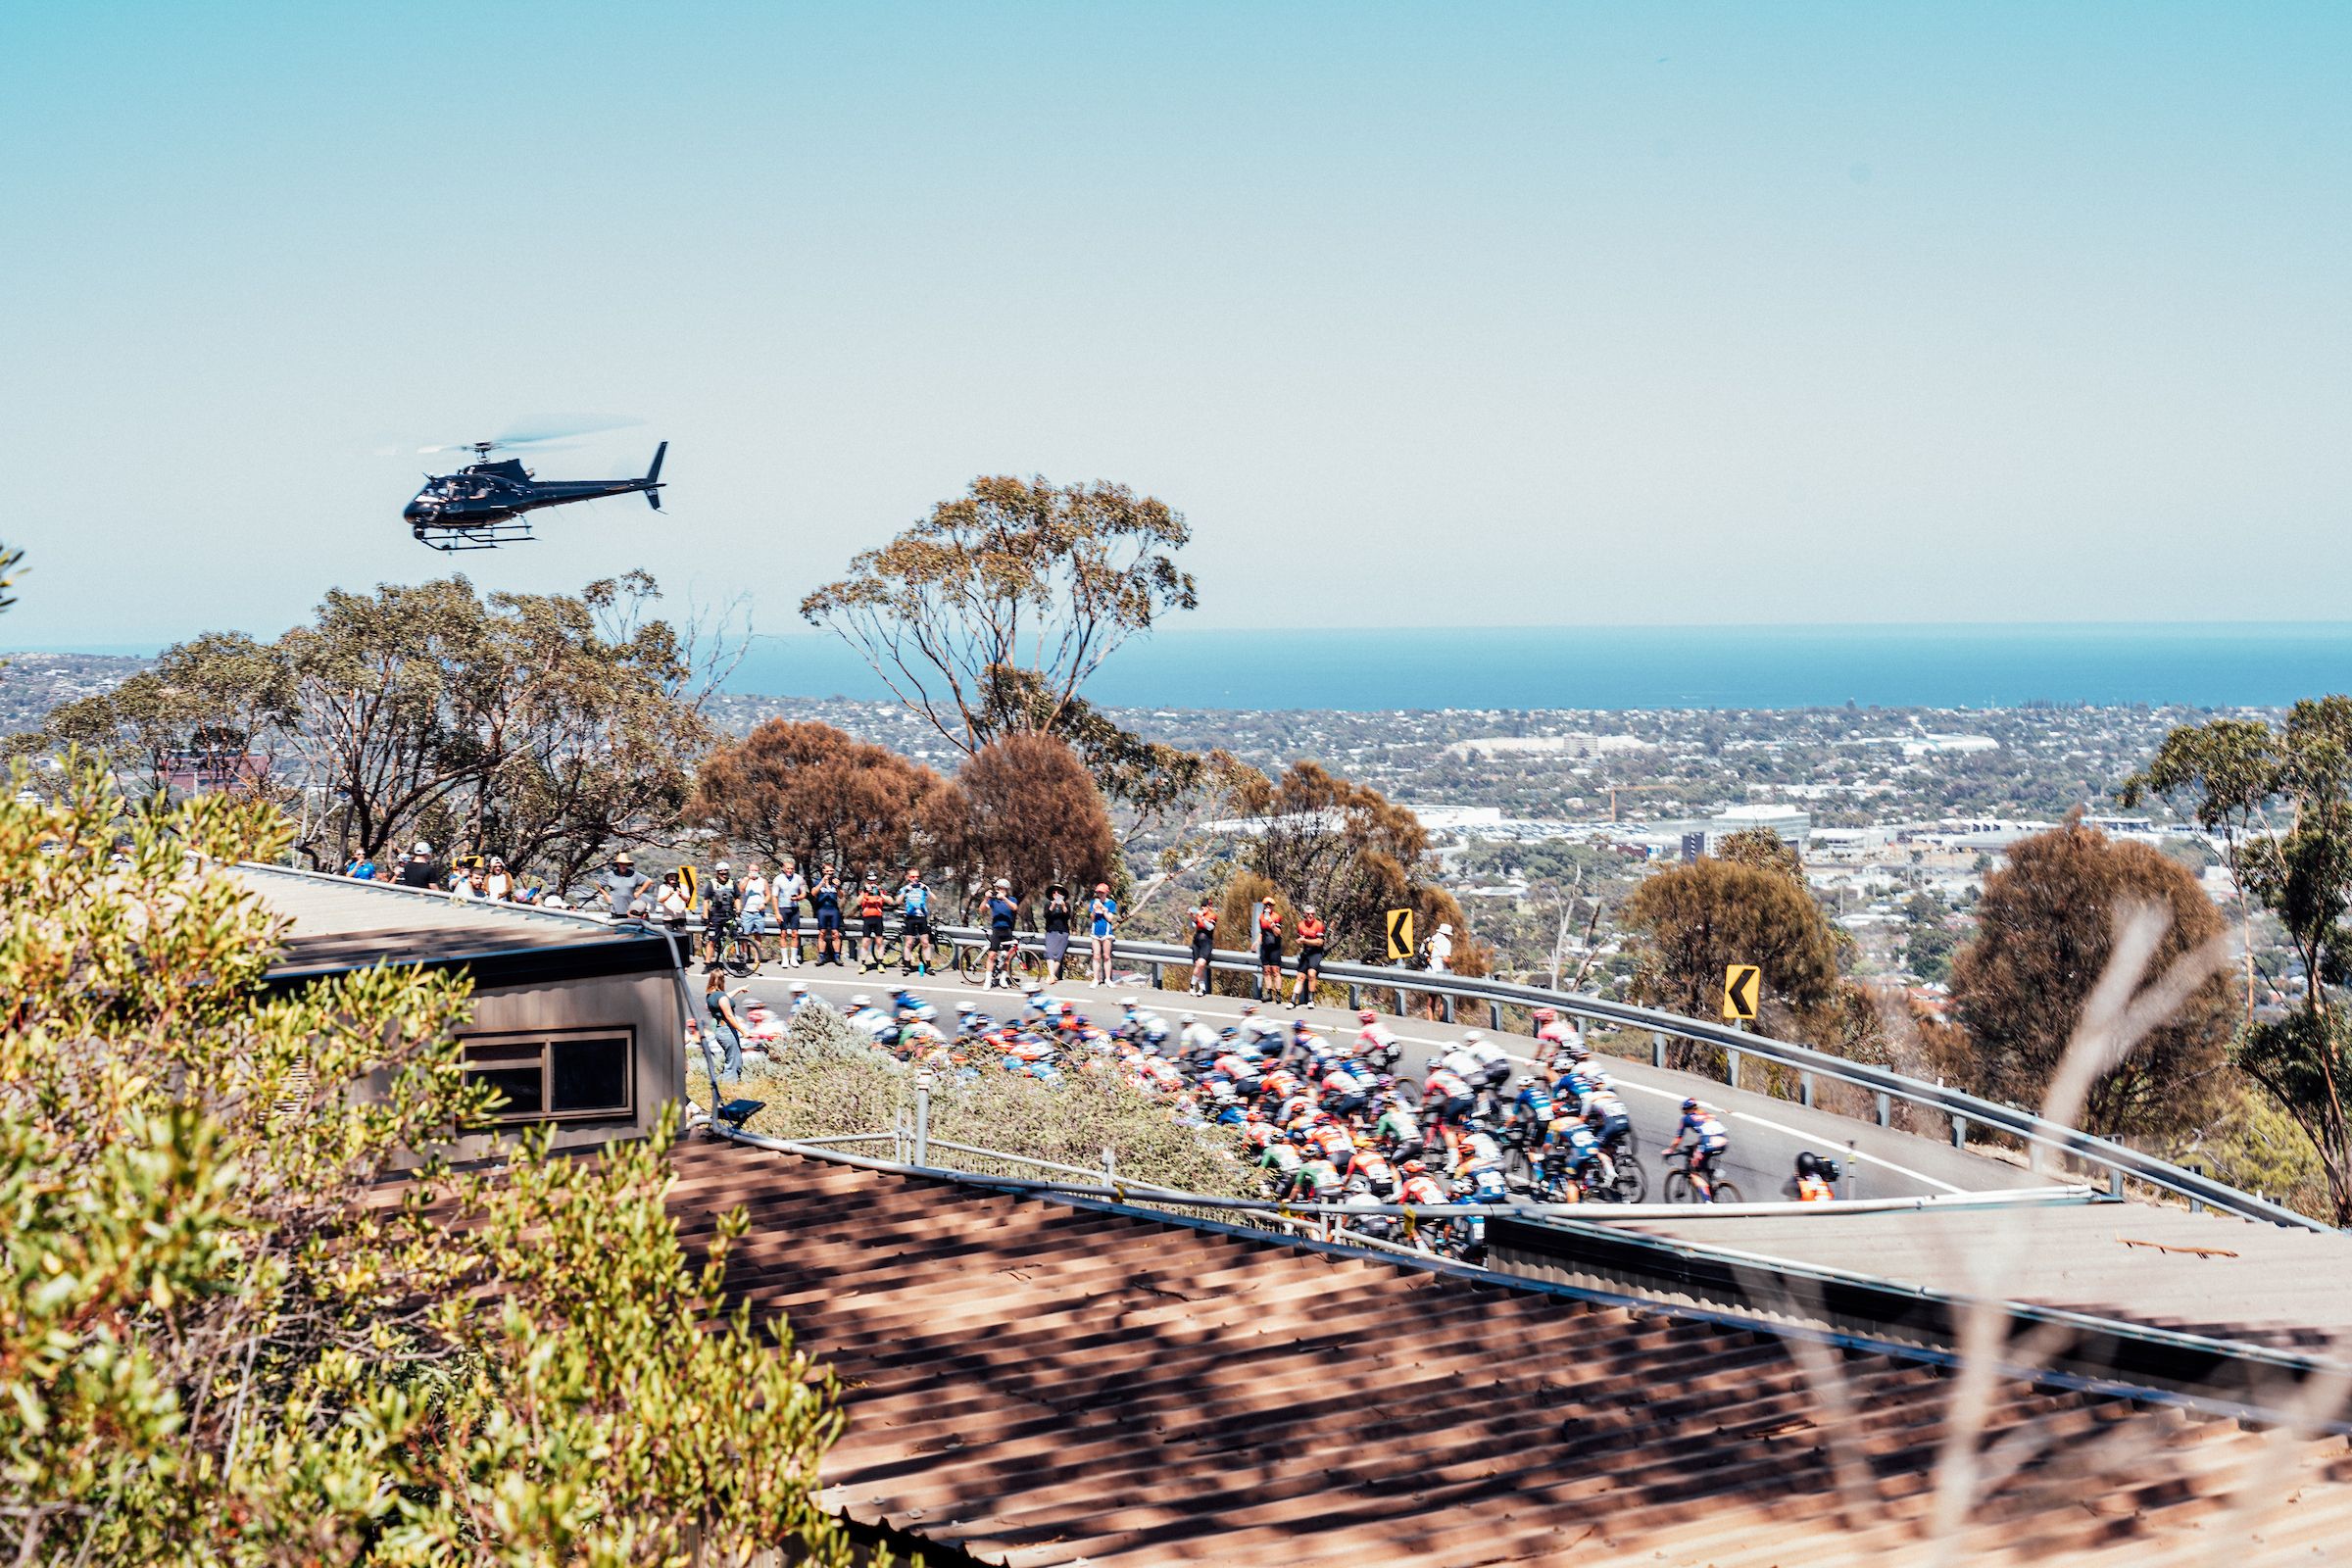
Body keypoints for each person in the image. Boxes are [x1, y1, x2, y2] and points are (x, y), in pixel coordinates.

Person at [1665, 1097, 1733, 1200]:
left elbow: (1678, 1139)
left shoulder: (1686, 1118)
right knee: (1704, 1164)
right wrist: (1696, 1145)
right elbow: (1710, 1133)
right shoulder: (1709, 1115)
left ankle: (1707, 1201)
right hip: (1723, 1142)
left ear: (1686, 1110)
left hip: (1708, 1144)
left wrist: (1670, 1150)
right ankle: (1714, 1181)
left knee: (1694, 1172)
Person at [703, 966, 747, 1085]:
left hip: (720, 1030)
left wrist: (738, 989)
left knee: (732, 1058)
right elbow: (729, 1016)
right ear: (722, 980)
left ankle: (718, 1083)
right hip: (727, 1030)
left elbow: (725, 997)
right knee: (734, 1061)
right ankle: (728, 1086)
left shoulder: (711, 995)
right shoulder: (721, 996)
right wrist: (743, 1031)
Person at [702, 861, 741, 968]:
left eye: (726, 873)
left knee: (736, 937)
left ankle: (740, 960)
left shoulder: (732, 883)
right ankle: (708, 964)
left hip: (729, 915)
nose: (724, 875)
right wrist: (705, 915)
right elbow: (706, 900)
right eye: (721, 873)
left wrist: (738, 910)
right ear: (717, 873)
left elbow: (737, 897)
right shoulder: (712, 884)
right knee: (712, 940)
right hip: (716, 916)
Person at [983, 877, 1020, 989]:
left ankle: (1003, 979)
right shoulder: (993, 900)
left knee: (1006, 956)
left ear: (1006, 889)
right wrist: (986, 898)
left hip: (1007, 930)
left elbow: (1014, 908)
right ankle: (988, 981)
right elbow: (982, 909)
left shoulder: (1012, 899)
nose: (998, 890)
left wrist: (1004, 898)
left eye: (1000, 888)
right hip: (996, 929)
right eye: (997, 888)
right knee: (991, 955)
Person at [898, 867, 935, 975]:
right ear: (908, 878)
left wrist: (926, 890)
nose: (915, 879)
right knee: (909, 943)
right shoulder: (905, 888)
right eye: (913, 876)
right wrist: (906, 891)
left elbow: (933, 899)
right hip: (910, 917)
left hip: (922, 917)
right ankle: (907, 966)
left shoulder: (923, 887)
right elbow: (898, 901)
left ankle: (929, 966)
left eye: (917, 876)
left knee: (925, 942)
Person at [1288, 904, 1326, 1008]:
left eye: (1312, 914)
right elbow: (1301, 938)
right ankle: (1293, 1000)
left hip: (1316, 952)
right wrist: (1300, 941)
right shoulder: (1301, 925)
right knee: (1300, 976)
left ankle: (1311, 1000)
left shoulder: (1319, 925)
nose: (1310, 916)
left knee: (1311, 974)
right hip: (1306, 952)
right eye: (1308, 914)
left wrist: (1305, 941)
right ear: (1304, 914)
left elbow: (1320, 942)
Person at [855, 873, 890, 971]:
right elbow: (858, 902)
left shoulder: (880, 890)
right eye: (870, 881)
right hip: (867, 918)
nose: (871, 883)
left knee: (879, 941)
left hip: (878, 918)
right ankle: (863, 964)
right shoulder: (864, 891)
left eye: (873, 880)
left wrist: (880, 894)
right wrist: (864, 891)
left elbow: (890, 901)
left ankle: (880, 963)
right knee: (865, 942)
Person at [775, 858, 807, 966]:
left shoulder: (798, 878)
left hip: (794, 909)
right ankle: (784, 959)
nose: (789, 870)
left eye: (791, 869)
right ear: (783, 868)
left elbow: (803, 893)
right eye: (788, 868)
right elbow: (774, 897)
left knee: (795, 934)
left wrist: (798, 898)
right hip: (782, 908)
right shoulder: (778, 879)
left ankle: (793, 958)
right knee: (783, 933)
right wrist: (777, 913)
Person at [602, 851, 651, 919]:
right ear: (618, 864)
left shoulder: (634, 874)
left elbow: (649, 881)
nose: (623, 865)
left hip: (630, 910)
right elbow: (598, 884)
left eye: (625, 864)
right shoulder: (610, 875)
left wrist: (639, 892)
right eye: (621, 864)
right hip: (615, 909)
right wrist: (606, 895)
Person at [810, 865, 844, 965]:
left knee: (835, 933)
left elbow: (841, 896)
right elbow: (813, 893)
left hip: (833, 910)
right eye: (827, 871)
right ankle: (821, 956)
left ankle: (837, 957)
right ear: (823, 871)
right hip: (822, 910)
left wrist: (838, 887)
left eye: (831, 871)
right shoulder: (817, 881)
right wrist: (822, 882)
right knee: (822, 933)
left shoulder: (835, 881)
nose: (829, 873)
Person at [1087, 882, 1118, 987]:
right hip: (1095, 933)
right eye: (1099, 892)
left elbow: (1110, 919)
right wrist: (1094, 910)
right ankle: (1096, 979)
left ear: (1106, 893)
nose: (1100, 894)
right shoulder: (1094, 902)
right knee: (1096, 956)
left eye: (1102, 892)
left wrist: (1104, 910)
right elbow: (1092, 918)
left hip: (1106, 933)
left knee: (1106, 956)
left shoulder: (1111, 903)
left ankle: (1108, 979)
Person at [1041, 885, 1074, 980]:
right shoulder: (1048, 904)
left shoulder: (1066, 905)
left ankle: (1050, 976)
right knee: (1049, 953)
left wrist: (1063, 906)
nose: (1056, 894)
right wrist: (1052, 906)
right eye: (1054, 892)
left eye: (1059, 892)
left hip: (1063, 932)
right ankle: (1052, 976)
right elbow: (1046, 915)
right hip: (1051, 931)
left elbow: (1068, 916)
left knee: (1059, 955)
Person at [1254, 900, 1284, 1002]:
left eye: (1270, 905)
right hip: (1265, 947)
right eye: (1266, 905)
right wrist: (1256, 942)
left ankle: (1278, 994)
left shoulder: (1276, 917)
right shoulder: (1261, 917)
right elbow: (1262, 932)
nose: (1268, 906)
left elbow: (1278, 933)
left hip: (1275, 947)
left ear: (1272, 906)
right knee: (1266, 970)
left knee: (1275, 971)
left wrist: (1272, 925)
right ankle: (1269, 994)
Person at [1187, 900, 1217, 996]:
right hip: (1197, 942)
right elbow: (1192, 927)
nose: (1204, 908)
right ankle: (1202, 988)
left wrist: (1203, 918)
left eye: (1206, 906)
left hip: (1207, 942)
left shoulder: (1212, 916)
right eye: (1202, 906)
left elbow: (1210, 927)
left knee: (1201, 963)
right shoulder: (1198, 916)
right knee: (1198, 966)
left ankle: (1192, 985)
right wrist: (1191, 917)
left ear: (1209, 907)